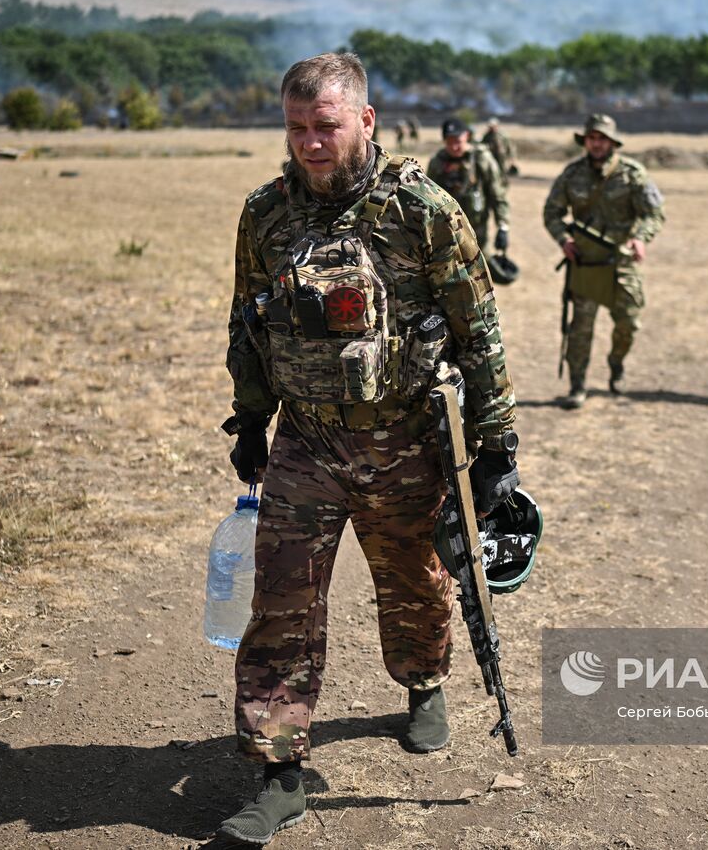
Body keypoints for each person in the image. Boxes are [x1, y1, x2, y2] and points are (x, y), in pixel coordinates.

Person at [218, 52, 520, 845]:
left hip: (407, 441)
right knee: (282, 598)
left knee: (412, 581)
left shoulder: (423, 210)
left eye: (324, 126)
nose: (309, 143)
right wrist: (251, 417)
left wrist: (496, 444)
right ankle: (277, 770)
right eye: (295, 128)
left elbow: (479, 332)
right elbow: (246, 319)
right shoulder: (266, 213)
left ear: (364, 121)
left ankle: (423, 682)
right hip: (306, 441)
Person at [543, 112, 664, 409]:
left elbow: (653, 214)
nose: (596, 144)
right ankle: (577, 386)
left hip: (622, 262)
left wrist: (641, 239)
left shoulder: (632, 174)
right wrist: (563, 240)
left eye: (602, 139)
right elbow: (552, 212)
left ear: (613, 142)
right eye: (592, 138)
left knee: (629, 323)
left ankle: (616, 363)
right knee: (580, 328)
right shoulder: (571, 175)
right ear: (585, 141)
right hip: (586, 264)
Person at [426, 117, 511, 257]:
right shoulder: (437, 162)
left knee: (481, 270)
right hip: (445, 232)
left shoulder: (481, 158)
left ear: (466, 136)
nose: (454, 147)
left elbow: (498, 194)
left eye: (458, 142)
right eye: (449, 143)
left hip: (477, 231)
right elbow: (427, 197)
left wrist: (503, 227)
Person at [480, 116, 518, 182]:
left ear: (497, 126)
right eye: (490, 127)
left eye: (493, 126)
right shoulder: (487, 136)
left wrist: (512, 160)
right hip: (491, 156)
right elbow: (482, 145)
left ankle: (502, 182)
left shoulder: (503, 135)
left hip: (502, 157)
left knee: (502, 170)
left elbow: (510, 147)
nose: (491, 128)